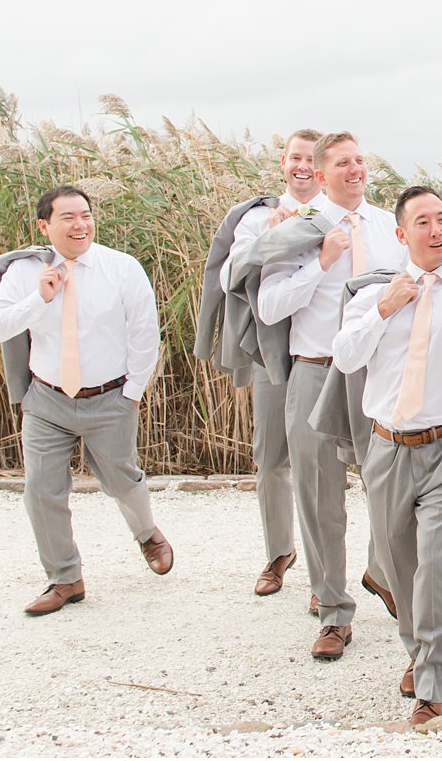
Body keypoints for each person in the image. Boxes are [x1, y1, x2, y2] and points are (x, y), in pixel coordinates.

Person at [333, 185, 442, 726]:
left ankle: (432, 683)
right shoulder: (373, 295)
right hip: (387, 449)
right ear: (402, 234)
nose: (436, 229)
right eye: (423, 221)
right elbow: (347, 359)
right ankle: (418, 653)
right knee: (402, 567)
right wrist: (384, 307)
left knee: (435, 566)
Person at [0, 185, 172, 615]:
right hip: (47, 399)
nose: (79, 224)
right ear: (44, 226)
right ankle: (65, 578)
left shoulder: (122, 268)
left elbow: (145, 335)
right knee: (41, 489)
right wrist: (39, 297)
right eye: (67, 217)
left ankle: (146, 532)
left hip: (109, 398)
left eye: (85, 215)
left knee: (122, 480)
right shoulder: (25, 272)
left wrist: (131, 394)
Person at [258, 131, 404, 659]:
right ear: (320, 175)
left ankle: (381, 571)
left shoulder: (391, 225)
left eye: (361, 159)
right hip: (316, 370)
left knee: (390, 488)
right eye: (343, 163)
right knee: (320, 498)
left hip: (379, 377)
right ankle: (334, 611)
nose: (356, 169)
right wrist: (321, 261)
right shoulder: (295, 228)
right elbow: (270, 306)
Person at [199, 128, 321, 601]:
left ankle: (324, 573)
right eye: (294, 157)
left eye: (311, 158)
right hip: (274, 355)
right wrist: (269, 239)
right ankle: (278, 552)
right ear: (283, 163)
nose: (302, 166)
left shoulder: (336, 218)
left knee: (325, 467)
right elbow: (229, 274)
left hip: (326, 356)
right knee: (271, 458)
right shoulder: (257, 217)